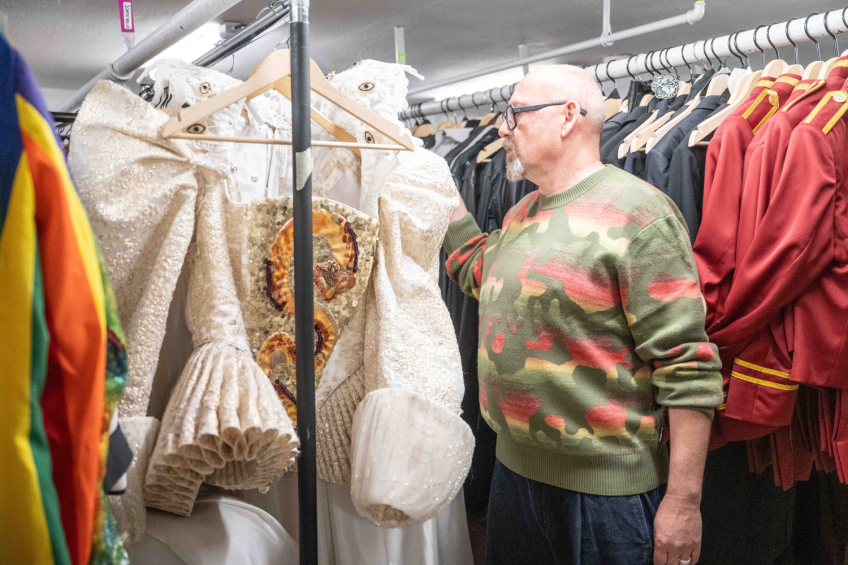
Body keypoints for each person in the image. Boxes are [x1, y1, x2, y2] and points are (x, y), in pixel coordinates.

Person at [442, 65, 723, 565]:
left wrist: (684, 503)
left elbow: (687, 367)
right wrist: (438, 190)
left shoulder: (640, 213)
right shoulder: (522, 213)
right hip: (513, 476)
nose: (503, 129)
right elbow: (481, 272)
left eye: (516, 114)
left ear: (568, 116)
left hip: (605, 497)